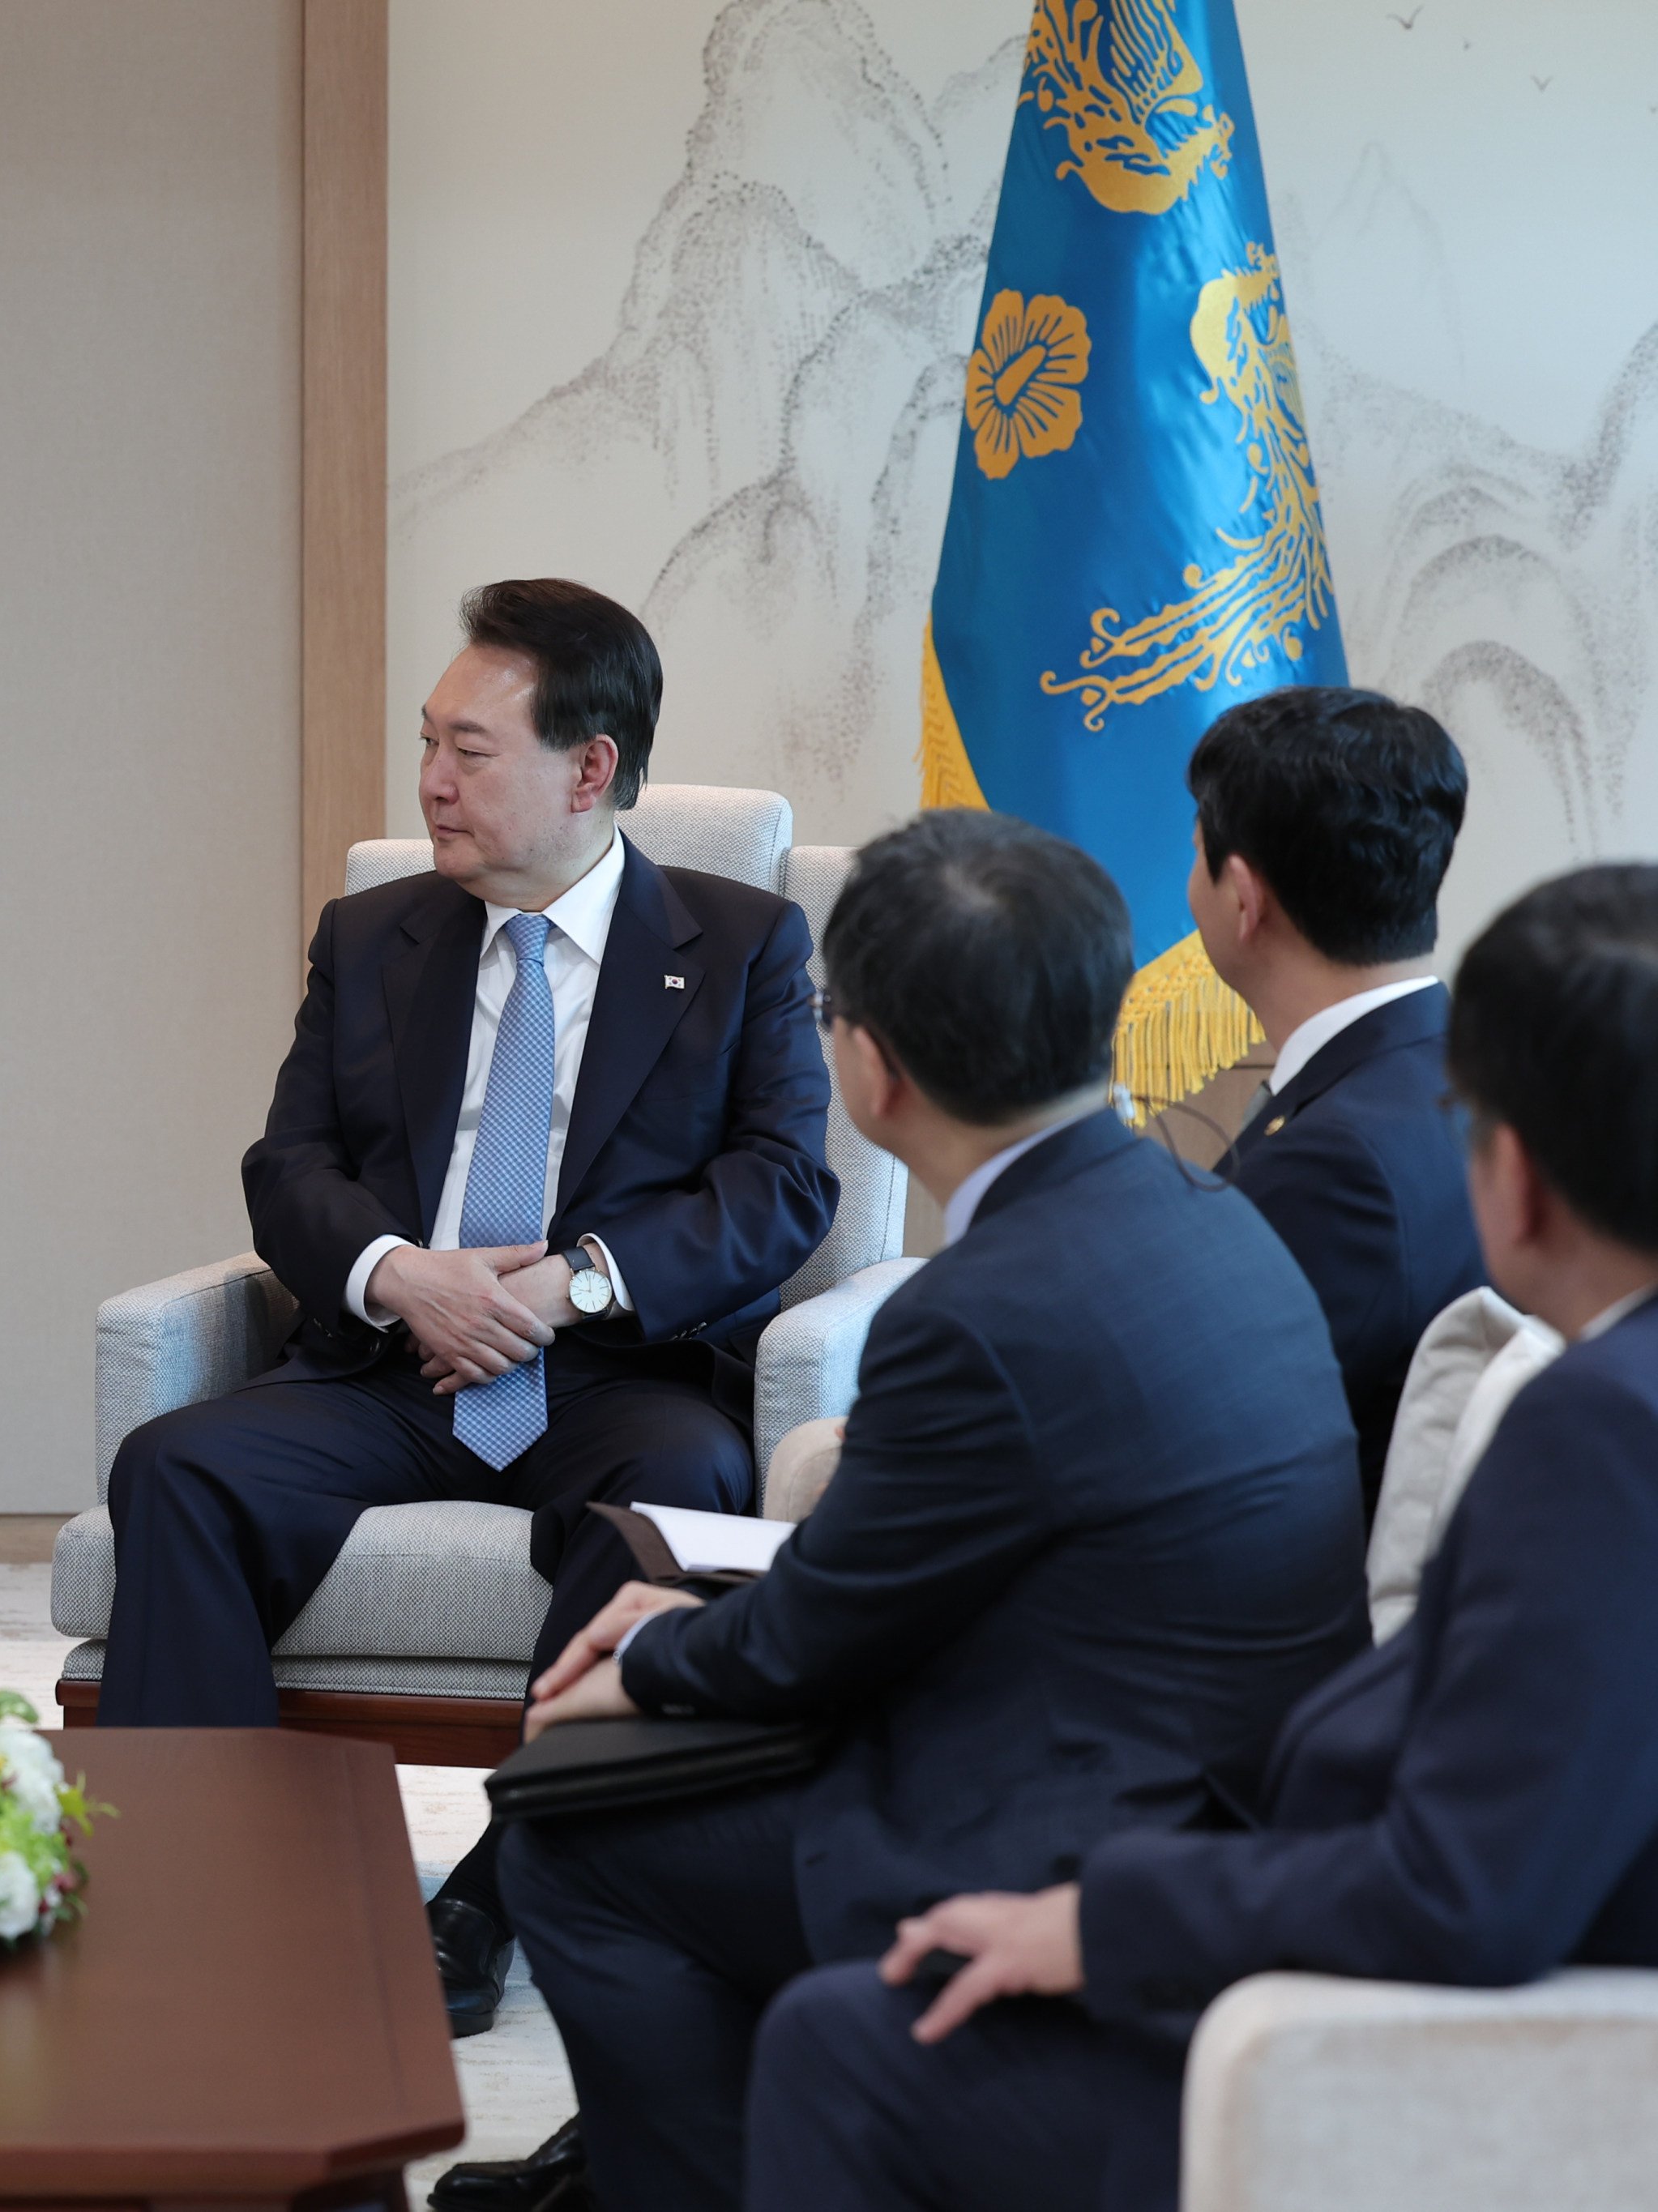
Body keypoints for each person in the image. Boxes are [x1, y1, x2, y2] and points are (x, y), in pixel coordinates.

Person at [744, 862, 1658, 2212]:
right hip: (1394, 1954)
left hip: (1413, 2066)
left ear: (1513, 1170)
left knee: (847, 2048)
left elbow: (1464, 1893)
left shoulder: (1604, 1433)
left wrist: (1100, 1922)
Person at [495, 809, 1368, 2212]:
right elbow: (913, 1566)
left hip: (1086, 1827)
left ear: (871, 1068)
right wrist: (713, 1619)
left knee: (569, 1831)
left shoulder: (971, 1312)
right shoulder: (1203, 1206)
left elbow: (814, 1648)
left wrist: (648, 1653)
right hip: (1216, 1773)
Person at [96, 579, 841, 2037]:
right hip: (390, 1370)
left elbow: (778, 1189)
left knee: (688, 1483)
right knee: (177, 1466)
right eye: (428, 743)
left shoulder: (743, 944)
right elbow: (290, 1165)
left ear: (591, 769)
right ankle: (202, 1882)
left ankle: (487, 1897)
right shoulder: (376, 937)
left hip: (610, 1372)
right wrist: (400, 1275)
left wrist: (575, 1284)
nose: (431, 782)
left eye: (470, 750)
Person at [1186, 685, 1485, 1510]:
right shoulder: (1470, 1069)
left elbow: (1201, 1440)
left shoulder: (1335, 1164)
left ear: (1243, 899)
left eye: (1194, 851)